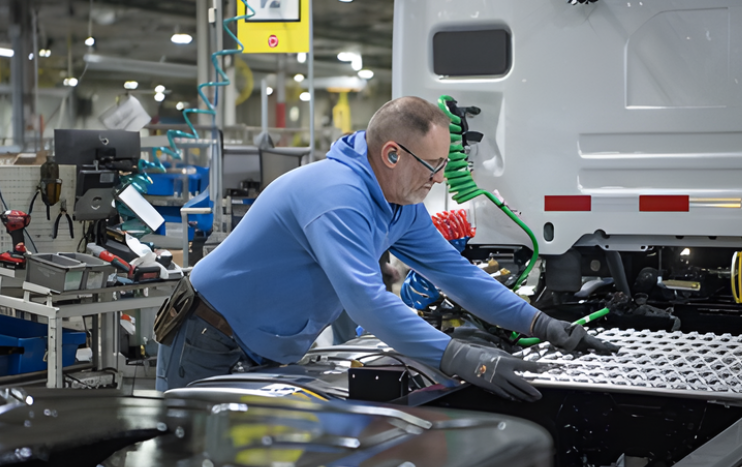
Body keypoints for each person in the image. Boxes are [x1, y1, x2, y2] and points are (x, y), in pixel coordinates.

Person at [155, 96, 618, 400]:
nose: (440, 179)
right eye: (433, 165)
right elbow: (367, 302)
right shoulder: (337, 196)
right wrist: (460, 357)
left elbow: (454, 273)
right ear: (393, 154)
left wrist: (544, 324)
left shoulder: (399, 203)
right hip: (208, 336)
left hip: (266, 346)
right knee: (190, 452)